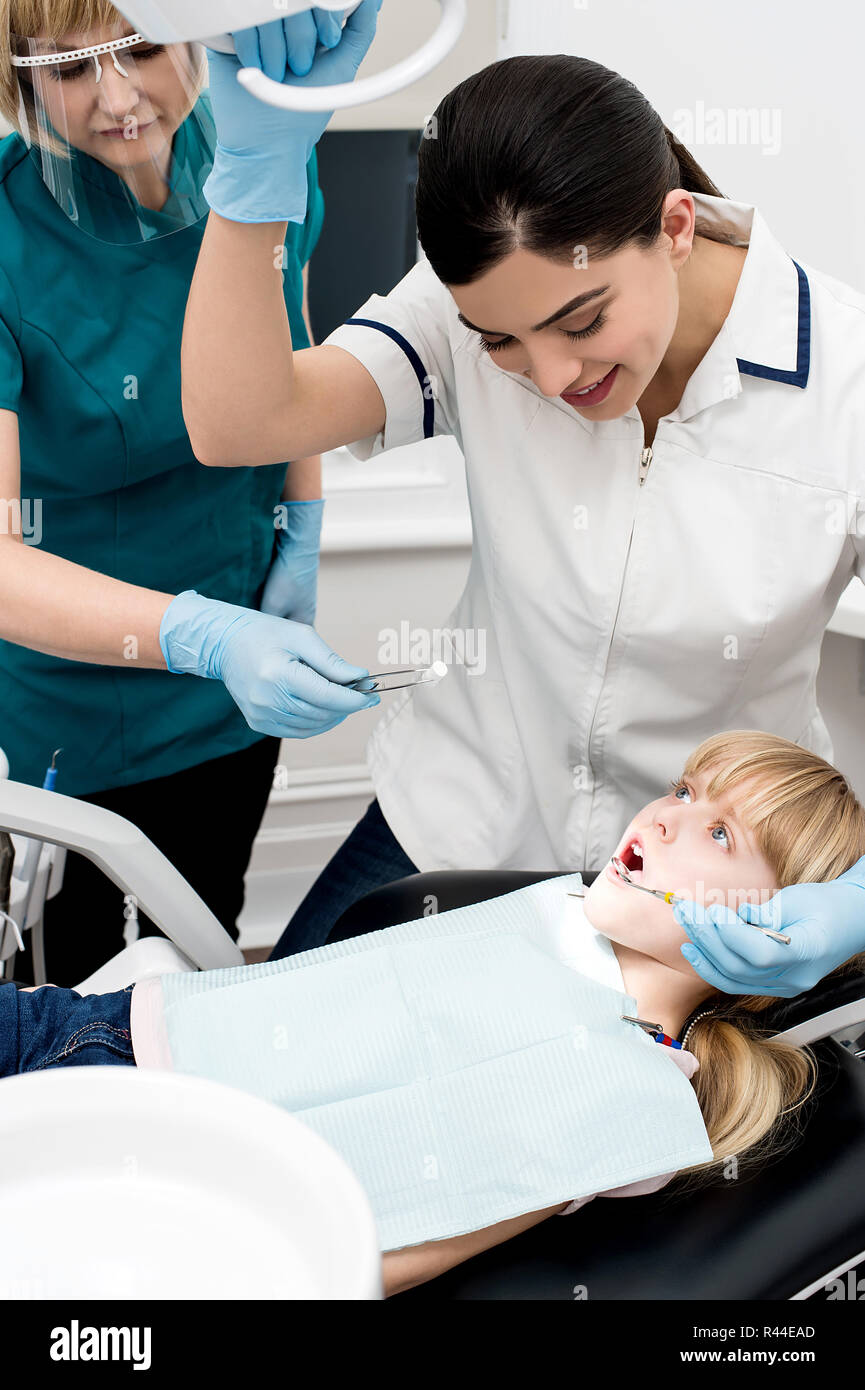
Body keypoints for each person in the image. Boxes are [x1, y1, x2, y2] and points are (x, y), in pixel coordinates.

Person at [178, 27, 865, 995]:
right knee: (264, 1072)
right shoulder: (476, 295)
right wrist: (254, 178)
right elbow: (241, 419)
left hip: (697, 887)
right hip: (455, 820)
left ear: (674, 228)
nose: (548, 376)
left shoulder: (843, 386)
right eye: (498, 339)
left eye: (580, 322)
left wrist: (858, 897)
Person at [4, 728, 863, 1296]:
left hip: (170, 1185)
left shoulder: (629, 1090)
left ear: (781, 923)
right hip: (105, 1033)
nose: (668, 817)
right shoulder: (553, 910)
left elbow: (428, 1231)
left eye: (720, 835)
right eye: (683, 790)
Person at [0, 2, 381, 983]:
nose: (120, 98)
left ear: (194, 41)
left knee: (203, 933)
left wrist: (303, 534)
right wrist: (203, 633)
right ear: (21, 79)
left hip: (228, 688)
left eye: (139, 51)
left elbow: (289, 369)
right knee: (74, 983)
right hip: (67, 706)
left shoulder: (255, 160)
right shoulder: (8, 237)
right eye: (74, 70)